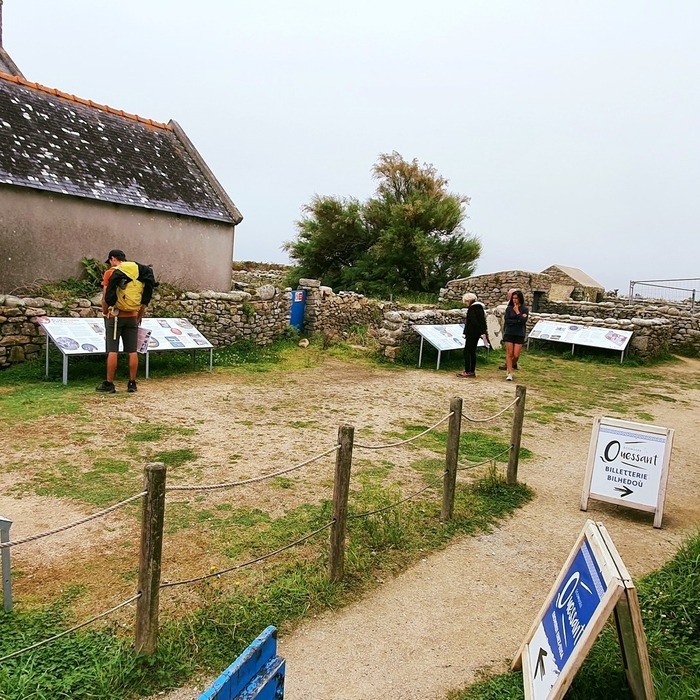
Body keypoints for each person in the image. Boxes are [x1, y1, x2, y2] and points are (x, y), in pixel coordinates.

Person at [96, 249, 145, 393]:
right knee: (132, 351)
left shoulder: (110, 273)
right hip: (132, 316)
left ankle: (109, 383)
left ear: (112, 259)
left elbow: (105, 297)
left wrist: (105, 313)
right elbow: (143, 298)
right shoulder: (136, 272)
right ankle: (132, 383)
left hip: (115, 317)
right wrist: (139, 316)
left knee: (112, 350)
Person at [457, 292, 489, 378]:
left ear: (468, 300)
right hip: (477, 333)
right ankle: (472, 370)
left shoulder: (472, 309)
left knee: (467, 351)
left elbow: (474, 321)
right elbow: (482, 322)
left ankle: (468, 371)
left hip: (472, 333)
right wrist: (482, 332)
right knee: (472, 351)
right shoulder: (480, 308)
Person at [503, 289, 528, 381]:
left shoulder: (525, 309)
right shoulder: (509, 309)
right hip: (509, 332)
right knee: (509, 353)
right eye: (513, 298)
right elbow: (507, 320)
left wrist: (517, 312)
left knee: (516, 355)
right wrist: (517, 320)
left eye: (516, 298)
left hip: (519, 333)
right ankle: (509, 372)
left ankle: (510, 365)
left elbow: (523, 321)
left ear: (520, 299)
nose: (514, 300)